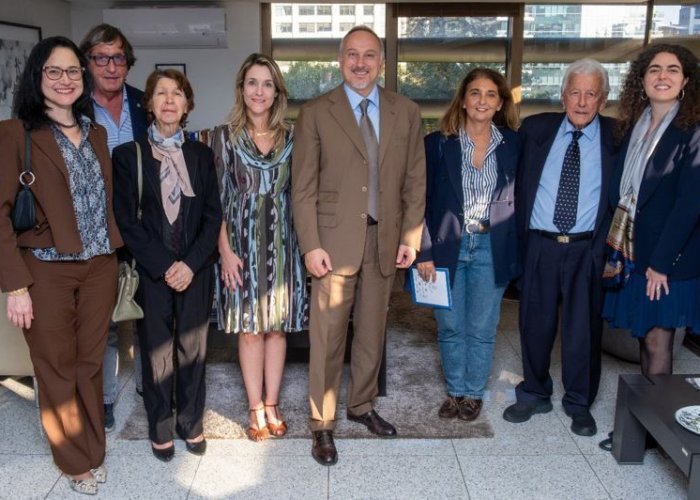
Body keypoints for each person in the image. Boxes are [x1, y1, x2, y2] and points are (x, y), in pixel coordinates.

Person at [292, 25, 425, 466]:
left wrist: (410, 238)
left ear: (382, 62)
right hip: (332, 243)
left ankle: (362, 404)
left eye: (369, 55)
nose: (361, 63)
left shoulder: (406, 111)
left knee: (371, 332)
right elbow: (303, 188)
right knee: (328, 337)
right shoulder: (315, 112)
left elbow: (415, 180)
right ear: (340, 60)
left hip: (384, 238)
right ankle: (322, 422)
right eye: (352, 54)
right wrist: (310, 244)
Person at [0, 36, 123, 495]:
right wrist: (15, 287)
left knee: (89, 364)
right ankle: (73, 462)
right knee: (56, 365)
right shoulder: (15, 134)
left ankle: (94, 451)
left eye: (73, 71)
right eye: (54, 71)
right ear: (37, 77)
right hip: (45, 270)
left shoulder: (96, 134)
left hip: (99, 266)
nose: (65, 80)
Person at [503, 58, 617, 437]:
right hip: (540, 244)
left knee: (583, 329)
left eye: (591, 94)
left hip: (588, 248)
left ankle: (579, 402)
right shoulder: (536, 129)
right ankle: (534, 392)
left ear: (603, 99)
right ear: (563, 95)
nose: (581, 102)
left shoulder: (618, 137)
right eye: (575, 92)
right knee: (534, 323)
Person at [112, 69, 221, 461]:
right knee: (156, 351)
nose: (170, 100)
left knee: (194, 348)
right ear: (149, 103)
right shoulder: (128, 155)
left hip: (195, 269)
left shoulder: (202, 155)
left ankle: (190, 422)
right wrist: (164, 266)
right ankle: (160, 426)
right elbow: (127, 221)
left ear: (187, 104)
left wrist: (189, 265)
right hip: (152, 272)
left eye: (177, 93)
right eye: (161, 93)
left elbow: (213, 216)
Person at [211, 53, 307, 442]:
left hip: (284, 245)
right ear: (242, 88)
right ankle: (254, 407)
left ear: (277, 92)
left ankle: (272, 404)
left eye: (267, 84)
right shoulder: (223, 137)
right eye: (253, 82)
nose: (259, 91)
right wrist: (224, 251)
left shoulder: (294, 137)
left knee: (276, 329)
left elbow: (302, 193)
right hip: (240, 246)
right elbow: (216, 200)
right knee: (250, 329)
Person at [415, 68, 520, 422]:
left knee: (482, 327)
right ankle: (455, 391)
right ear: (463, 100)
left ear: (500, 103)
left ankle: (473, 394)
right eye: (475, 93)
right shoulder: (437, 144)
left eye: (491, 94)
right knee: (449, 325)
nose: (482, 101)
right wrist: (423, 251)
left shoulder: (514, 145)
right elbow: (419, 200)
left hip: (492, 246)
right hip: (448, 245)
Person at [602, 45, 700, 382]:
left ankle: (658, 416)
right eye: (654, 69)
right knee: (645, 337)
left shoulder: (693, 131)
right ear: (642, 79)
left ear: (685, 80)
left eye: (673, 70)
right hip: (633, 252)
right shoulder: (634, 127)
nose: (662, 76)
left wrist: (660, 265)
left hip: (667, 261)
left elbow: (689, 204)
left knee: (658, 341)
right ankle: (644, 414)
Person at [79, 23, 149, 433]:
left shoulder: (145, 103)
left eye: (118, 57)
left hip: (144, 226)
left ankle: (147, 385)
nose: (110, 66)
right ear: (87, 63)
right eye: (101, 58)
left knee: (148, 312)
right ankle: (104, 398)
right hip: (97, 228)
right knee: (101, 318)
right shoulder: (75, 109)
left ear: (127, 62)